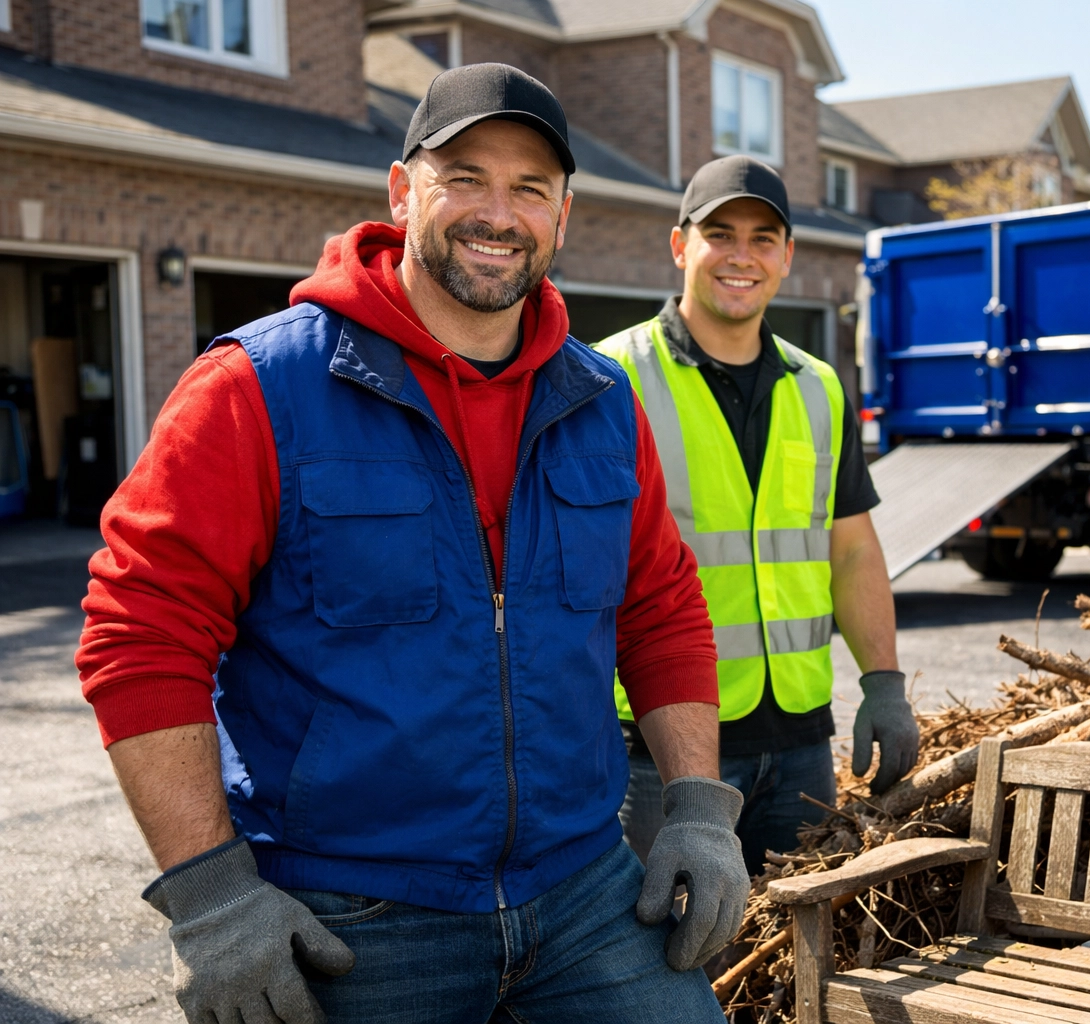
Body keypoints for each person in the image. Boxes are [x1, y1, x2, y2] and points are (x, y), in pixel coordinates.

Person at [75, 64, 748, 1024]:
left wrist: (697, 808)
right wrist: (210, 894)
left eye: (529, 188)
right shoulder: (258, 387)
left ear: (563, 216)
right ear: (402, 192)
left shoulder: (602, 401)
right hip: (353, 916)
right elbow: (141, 633)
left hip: (585, 891)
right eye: (464, 177)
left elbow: (660, 609)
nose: (498, 214)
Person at [596, 156, 920, 876]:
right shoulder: (611, 380)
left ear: (787, 256)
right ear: (680, 247)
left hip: (801, 742)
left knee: (797, 938)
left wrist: (884, 683)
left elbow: (852, 550)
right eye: (720, 234)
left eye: (763, 238)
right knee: (665, 940)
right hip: (661, 746)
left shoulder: (820, 387)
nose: (742, 256)